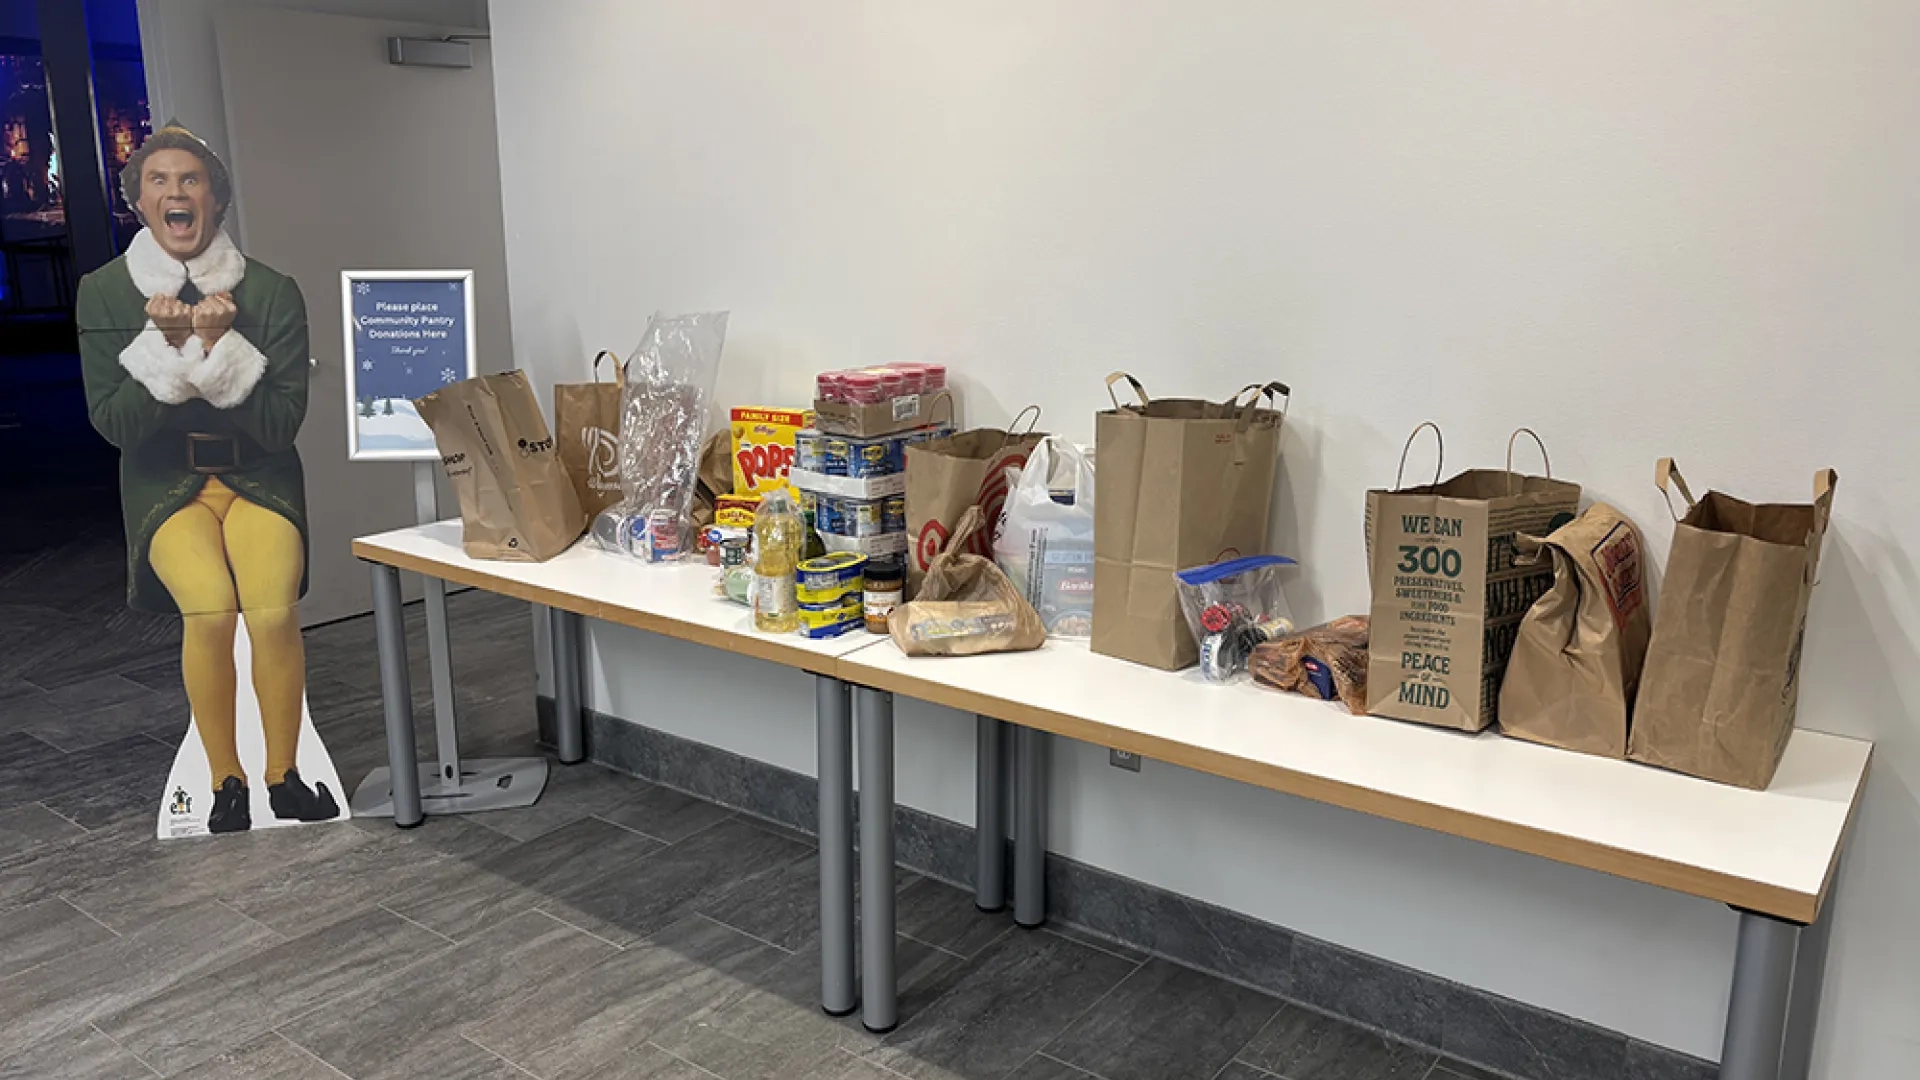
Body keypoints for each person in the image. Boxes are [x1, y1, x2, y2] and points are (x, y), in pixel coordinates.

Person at [75, 123, 335, 832]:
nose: (175, 192)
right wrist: (162, 349)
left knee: (274, 611)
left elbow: (280, 425)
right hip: (166, 484)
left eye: (190, 180)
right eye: (158, 181)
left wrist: (223, 352)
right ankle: (227, 779)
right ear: (139, 202)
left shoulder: (274, 292)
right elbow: (117, 426)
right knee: (213, 611)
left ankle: (283, 776)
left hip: (259, 476)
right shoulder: (103, 293)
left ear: (216, 200)